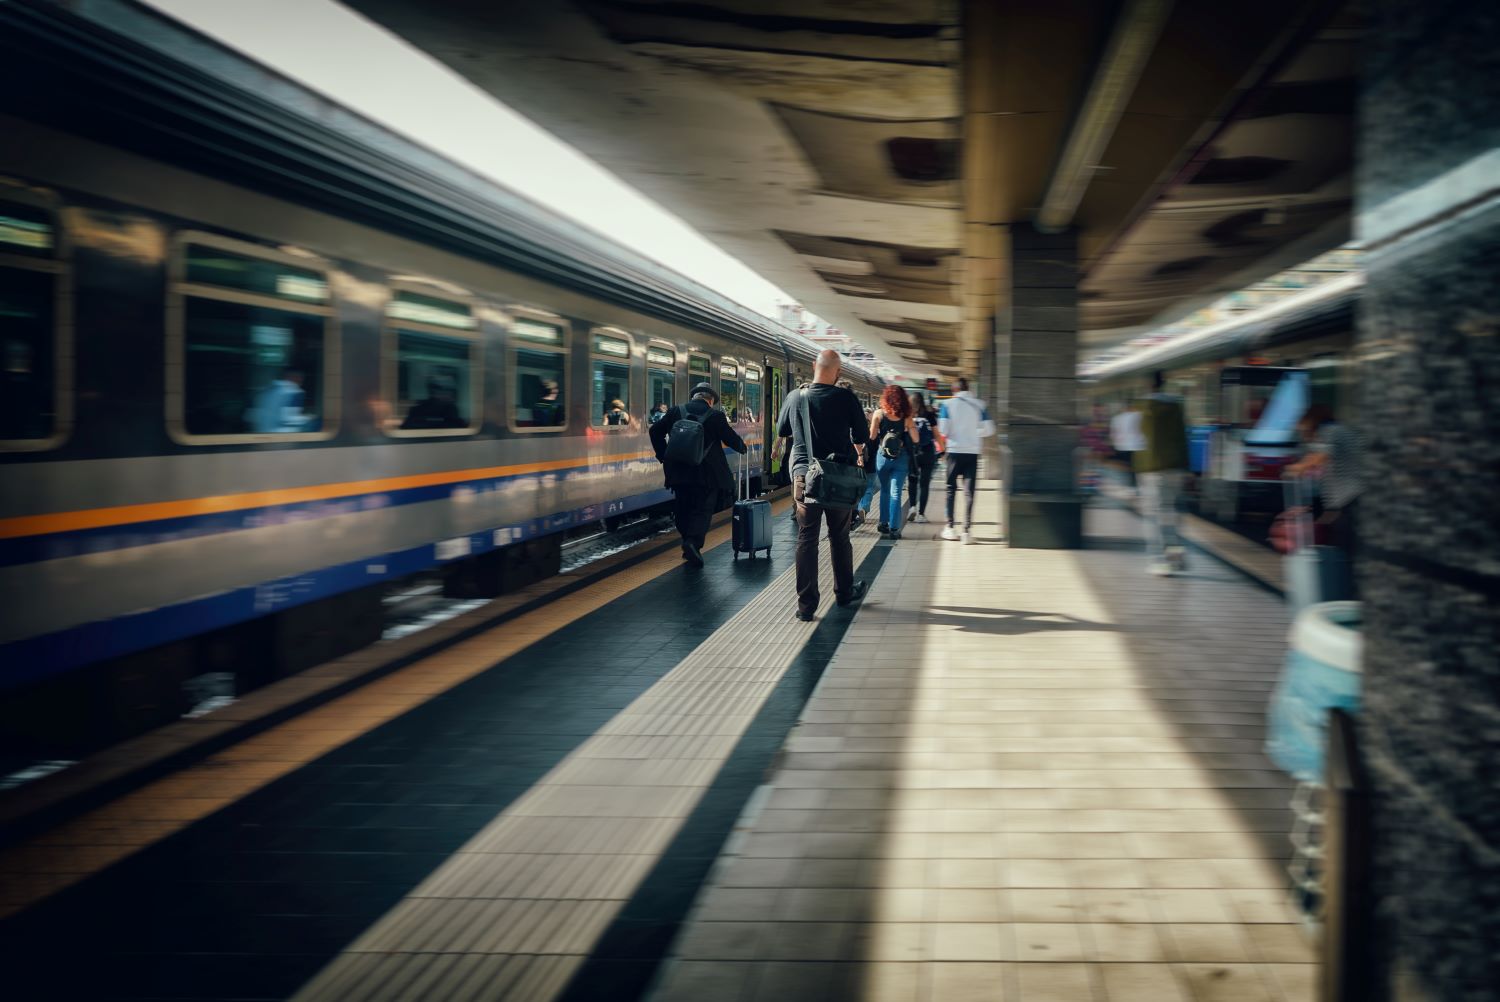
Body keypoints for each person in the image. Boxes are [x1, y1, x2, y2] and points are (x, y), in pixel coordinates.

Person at [777, 350, 868, 621]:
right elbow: (861, 435)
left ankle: (806, 607)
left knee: (806, 538)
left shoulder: (795, 398)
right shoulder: (846, 398)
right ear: (838, 372)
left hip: (805, 477)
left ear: (814, 366)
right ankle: (843, 593)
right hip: (838, 477)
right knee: (840, 537)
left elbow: (782, 430)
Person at [650, 382, 745, 567]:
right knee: (703, 509)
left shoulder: (675, 411)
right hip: (706, 474)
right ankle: (692, 542)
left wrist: (663, 455)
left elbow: (655, 431)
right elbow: (730, 437)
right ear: (710, 400)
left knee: (682, 507)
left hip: (678, 471)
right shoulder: (716, 415)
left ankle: (687, 541)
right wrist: (742, 446)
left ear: (694, 397)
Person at [1285, 403, 1362, 587]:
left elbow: (1319, 457)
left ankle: (1347, 590)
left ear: (1312, 421)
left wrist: (1297, 468)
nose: (1302, 432)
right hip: (1348, 502)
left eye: (1303, 426)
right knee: (1341, 548)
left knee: (1344, 551)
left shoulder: (1331, 431)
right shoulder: (1335, 432)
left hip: (1353, 500)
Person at [1134, 370, 1191, 576]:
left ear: (1147, 385)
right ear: (1163, 383)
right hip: (1174, 468)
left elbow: (1136, 439)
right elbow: (1182, 437)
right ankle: (1176, 557)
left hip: (1150, 469)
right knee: (1171, 513)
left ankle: (1158, 560)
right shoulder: (1175, 406)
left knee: (1153, 516)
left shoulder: (1141, 407)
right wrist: (1186, 467)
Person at [937, 377, 995, 543]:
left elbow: (943, 429)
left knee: (950, 489)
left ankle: (950, 527)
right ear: (968, 388)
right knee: (969, 492)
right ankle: (966, 532)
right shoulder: (980, 405)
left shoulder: (947, 405)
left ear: (954, 390)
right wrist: (974, 434)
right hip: (972, 452)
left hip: (954, 452)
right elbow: (989, 429)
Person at [869, 385, 919, 539]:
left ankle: (883, 523)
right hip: (901, 458)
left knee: (884, 489)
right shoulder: (907, 416)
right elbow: (916, 439)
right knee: (896, 491)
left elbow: (871, 437)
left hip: (882, 457)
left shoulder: (878, 414)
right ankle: (894, 528)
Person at [906, 391, 942, 523]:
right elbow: (936, 434)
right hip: (928, 452)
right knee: (925, 484)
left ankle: (912, 508)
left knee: (912, 481)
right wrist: (943, 449)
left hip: (912, 452)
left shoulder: (907, 414)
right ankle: (921, 515)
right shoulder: (930, 414)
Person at [247, 368, 313, 433]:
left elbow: (250, 415)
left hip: (260, 434)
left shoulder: (266, 390)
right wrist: (307, 418)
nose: (301, 381)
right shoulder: (294, 392)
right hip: (281, 436)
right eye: (300, 378)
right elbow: (287, 418)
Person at [401, 377, 466, 430]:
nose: (449, 395)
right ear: (433, 393)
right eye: (443, 391)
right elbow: (406, 427)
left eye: (450, 392)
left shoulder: (451, 408)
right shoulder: (419, 408)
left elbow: (459, 425)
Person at [1109, 399, 1144, 490]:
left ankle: (1126, 488)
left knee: (1124, 470)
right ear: (1133, 406)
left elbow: (1113, 435)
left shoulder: (1116, 418)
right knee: (1136, 471)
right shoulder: (1139, 416)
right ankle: (1136, 488)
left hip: (1121, 447)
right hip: (1137, 447)